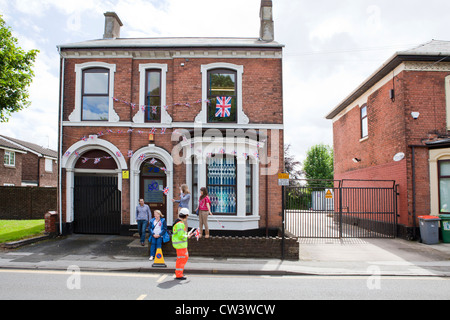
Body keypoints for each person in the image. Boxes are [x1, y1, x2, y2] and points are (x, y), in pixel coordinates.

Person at [172, 208, 193, 280]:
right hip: (181, 246)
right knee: (182, 259)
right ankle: (179, 274)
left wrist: (187, 234)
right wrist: (188, 236)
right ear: (185, 215)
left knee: (182, 259)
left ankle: (179, 273)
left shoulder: (177, 223)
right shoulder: (180, 224)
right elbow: (181, 236)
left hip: (180, 245)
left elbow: (180, 234)